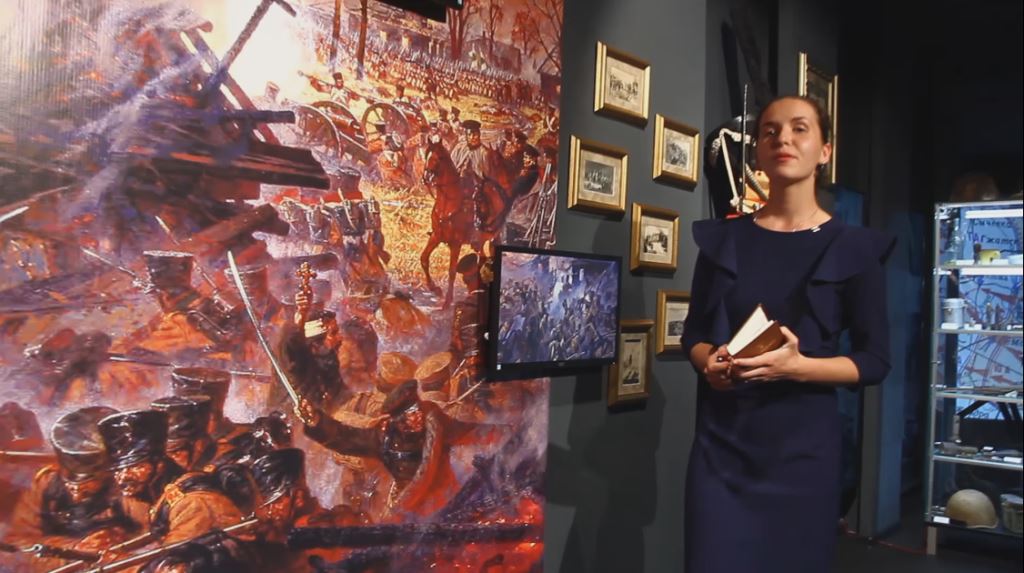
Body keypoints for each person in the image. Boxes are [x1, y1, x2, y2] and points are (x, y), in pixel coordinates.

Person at [680, 95, 895, 573]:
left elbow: (874, 360)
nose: (783, 139)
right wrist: (708, 361)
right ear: (757, 151)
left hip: (804, 453)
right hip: (722, 449)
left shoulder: (854, 248)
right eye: (770, 131)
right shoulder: (723, 239)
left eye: (800, 128)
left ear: (825, 151)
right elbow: (693, 335)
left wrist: (799, 368)